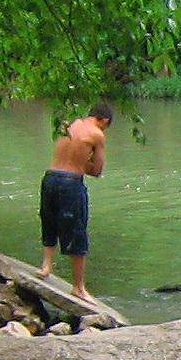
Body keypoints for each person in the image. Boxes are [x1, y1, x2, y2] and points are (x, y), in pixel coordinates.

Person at [38, 101, 112, 301]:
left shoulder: (69, 125)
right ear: (104, 120)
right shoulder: (97, 134)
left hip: (50, 177)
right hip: (70, 183)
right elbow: (97, 171)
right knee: (76, 231)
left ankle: (46, 266)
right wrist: (83, 163)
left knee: (49, 220)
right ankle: (78, 287)